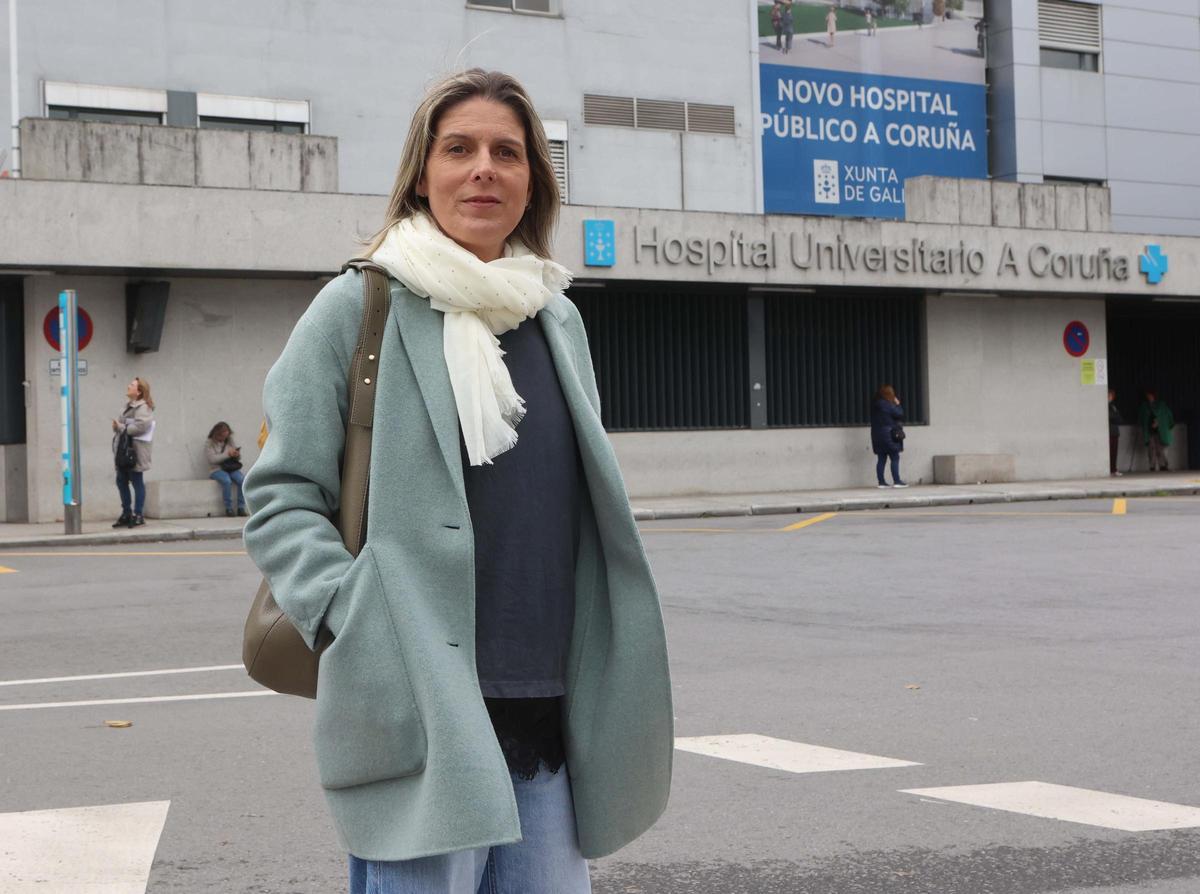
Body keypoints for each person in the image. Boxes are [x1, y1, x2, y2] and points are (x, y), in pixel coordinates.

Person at [243, 69, 673, 894]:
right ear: (421, 173)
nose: (484, 168)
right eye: (460, 149)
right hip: (419, 705)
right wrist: (351, 612)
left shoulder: (555, 317)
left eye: (508, 152)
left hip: (547, 716)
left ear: (532, 183)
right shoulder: (357, 305)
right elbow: (280, 495)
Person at [111, 377, 154, 528]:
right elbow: (122, 425)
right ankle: (126, 513)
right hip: (123, 450)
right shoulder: (127, 405)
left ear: (139, 391)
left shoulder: (144, 407)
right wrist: (116, 426)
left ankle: (138, 514)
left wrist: (122, 427)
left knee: (136, 480)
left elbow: (141, 426)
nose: (128, 386)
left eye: (132, 385)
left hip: (135, 451)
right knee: (121, 480)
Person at [205, 422, 247, 517]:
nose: (224, 438)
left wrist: (236, 455)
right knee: (226, 480)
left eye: (226, 435)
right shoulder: (209, 443)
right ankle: (229, 508)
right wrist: (228, 454)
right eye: (222, 436)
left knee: (242, 480)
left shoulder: (230, 440)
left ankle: (241, 507)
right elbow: (212, 459)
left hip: (230, 468)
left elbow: (236, 457)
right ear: (216, 434)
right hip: (216, 470)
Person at [870, 384, 907, 488]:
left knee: (881, 458)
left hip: (876, 435)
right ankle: (897, 481)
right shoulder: (887, 404)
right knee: (895, 457)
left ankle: (881, 482)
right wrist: (898, 404)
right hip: (889, 434)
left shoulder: (875, 405)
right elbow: (899, 414)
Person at [1138, 389, 1174, 472]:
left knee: (1161, 449)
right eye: (1147, 396)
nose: (1149, 397)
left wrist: (1159, 422)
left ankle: (1163, 465)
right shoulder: (1145, 406)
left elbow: (1166, 416)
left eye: (1150, 395)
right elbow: (1142, 417)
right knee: (1151, 449)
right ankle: (1152, 466)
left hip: (1160, 431)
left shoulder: (1161, 405)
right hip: (1149, 431)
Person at [1108, 389, 1123, 477]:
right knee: (1109, 452)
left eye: (1112, 396)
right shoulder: (1105, 405)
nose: (1110, 397)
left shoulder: (1113, 406)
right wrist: (1115, 416)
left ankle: (1113, 469)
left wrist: (1115, 417)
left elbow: (1119, 418)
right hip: (1108, 432)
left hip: (1114, 432)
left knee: (1114, 452)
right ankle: (1110, 469)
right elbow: (1110, 416)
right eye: (1109, 395)